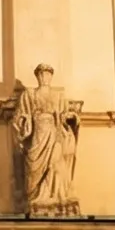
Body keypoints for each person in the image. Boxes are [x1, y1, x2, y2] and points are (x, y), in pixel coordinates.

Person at [11, 63, 79, 217]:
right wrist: (25, 121)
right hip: (38, 132)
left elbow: (64, 115)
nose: (45, 77)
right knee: (34, 163)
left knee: (56, 162)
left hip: (54, 133)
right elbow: (21, 115)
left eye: (48, 74)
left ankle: (55, 196)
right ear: (37, 76)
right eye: (42, 74)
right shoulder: (29, 94)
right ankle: (36, 196)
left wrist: (71, 118)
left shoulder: (58, 96)